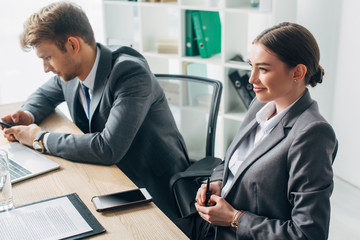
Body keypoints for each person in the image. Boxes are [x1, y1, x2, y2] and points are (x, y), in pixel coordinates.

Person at [0, 2, 189, 220]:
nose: (46, 68)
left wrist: (40, 139)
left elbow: (107, 148)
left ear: (72, 45)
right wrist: (27, 114)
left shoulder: (129, 73)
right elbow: (44, 94)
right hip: (107, 178)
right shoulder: (71, 73)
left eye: (48, 57)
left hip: (155, 191)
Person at [176, 22, 338, 239]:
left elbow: (309, 233)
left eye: (263, 69)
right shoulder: (261, 104)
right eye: (251, 66)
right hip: (207, 227)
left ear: (297, 72)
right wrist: (218, 182)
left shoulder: (312, 134)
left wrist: (235, 218)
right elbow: (233, 162)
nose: (251, 79)